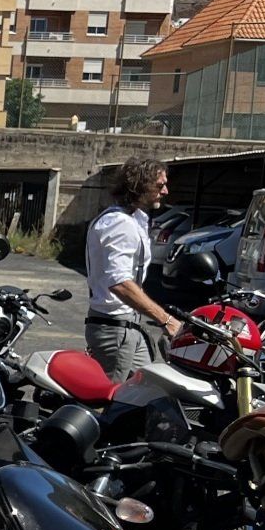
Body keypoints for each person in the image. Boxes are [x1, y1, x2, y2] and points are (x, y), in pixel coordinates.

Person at [85, 155, 179, 381]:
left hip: (129, 326)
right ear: (139, 185)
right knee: (112, 399)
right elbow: (120, 284)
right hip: (114, 329)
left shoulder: (135, 218)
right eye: (159, 185)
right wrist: (165, 319)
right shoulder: (118, 223)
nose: (165, 191)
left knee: (144, 389)